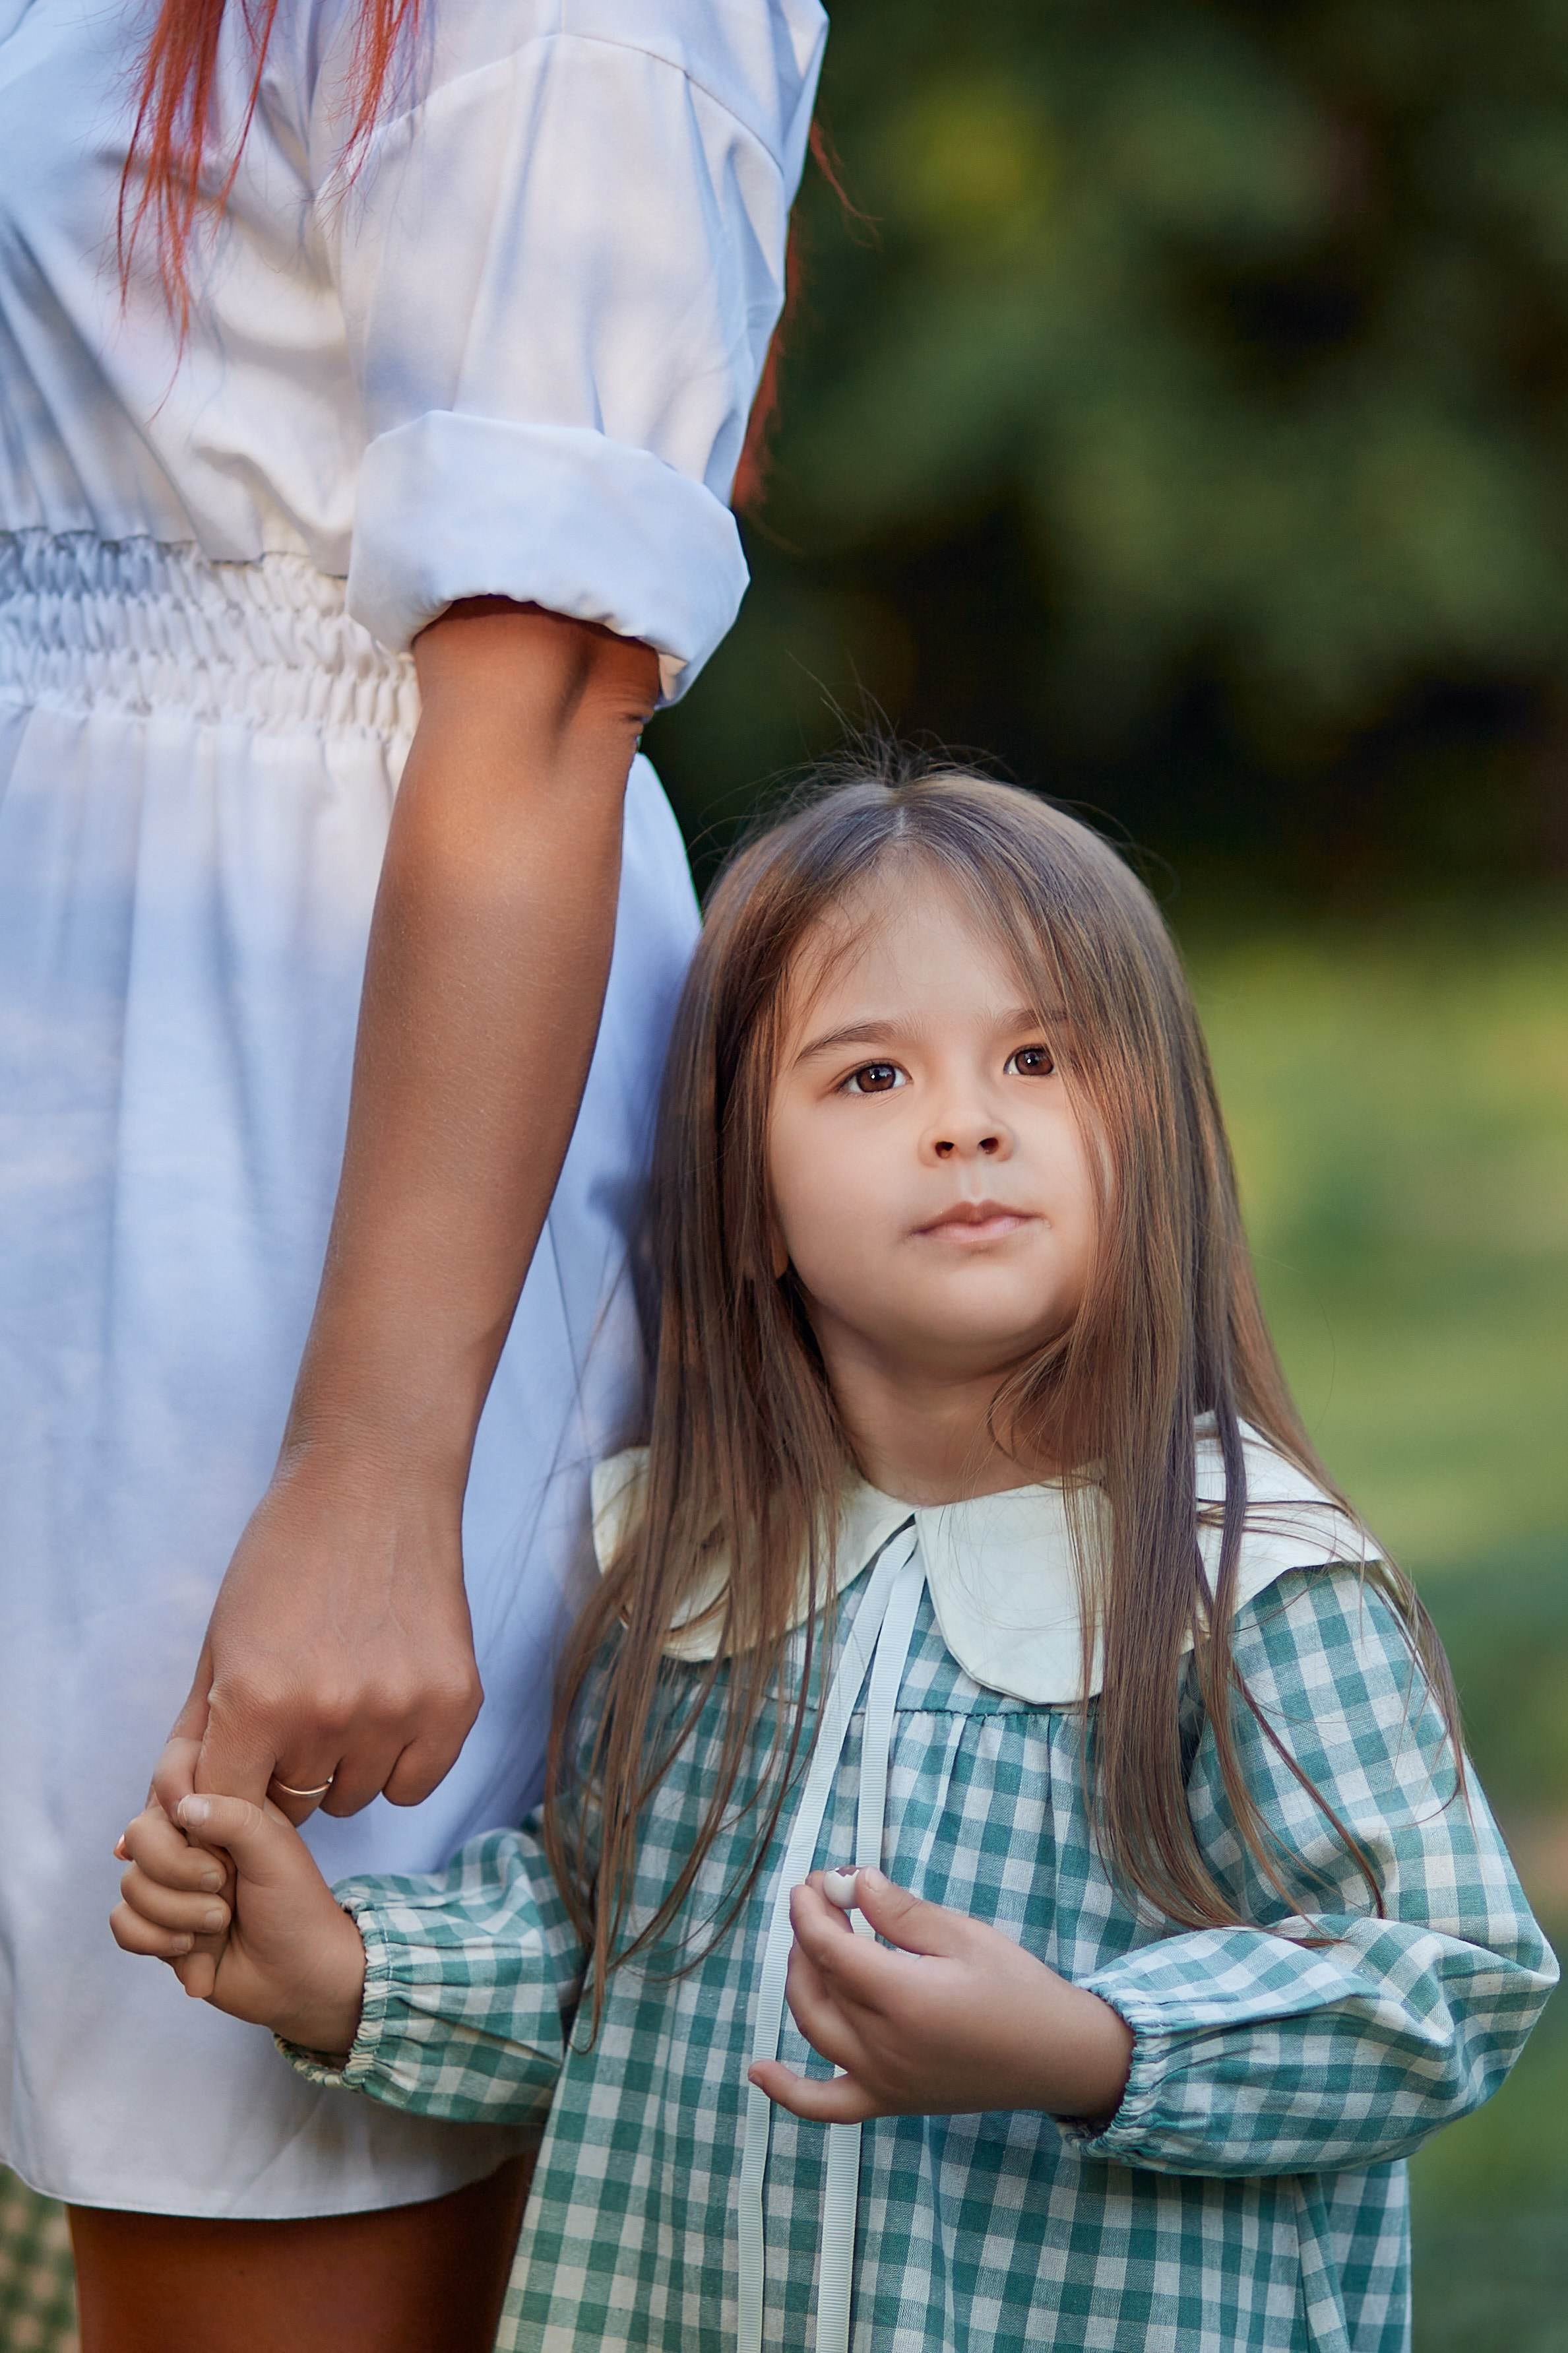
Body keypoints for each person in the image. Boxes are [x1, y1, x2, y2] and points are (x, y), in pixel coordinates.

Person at [113, 763, 1557, 2352]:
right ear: (748, 1203)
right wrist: (349, 1974)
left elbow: (1444, 1980)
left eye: (1037, 1057)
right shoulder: (690, 1574)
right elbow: (615, 1969)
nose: (965, 1120)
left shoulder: (1247, 1583)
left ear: (1155, 1136)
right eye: (870, 1077)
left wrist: (1090, 2042)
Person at [0, 0, 826, 2342]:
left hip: (293, 1135)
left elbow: (544, 683)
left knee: (240, 2176)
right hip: (76, 1095)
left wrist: (373, 1472)